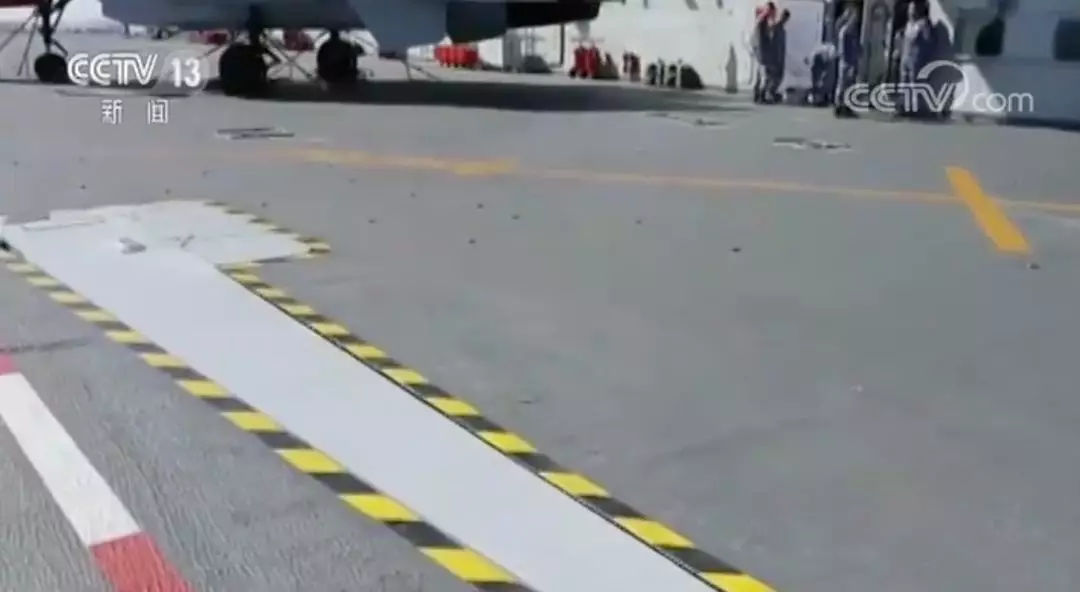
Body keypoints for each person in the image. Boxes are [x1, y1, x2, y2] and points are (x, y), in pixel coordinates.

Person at [899, 1, 933, 116]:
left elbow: (928, 41)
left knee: (915, 84)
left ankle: (915, 108)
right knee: (904, 83)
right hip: (906, 57)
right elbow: (905, 40)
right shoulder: (909, 24)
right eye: (910, 9)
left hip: (916, 58)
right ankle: (904, 106)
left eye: (912, 9)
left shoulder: (923, 24)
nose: (910, 12)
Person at [834, 2, 861, 117]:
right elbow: (847, 49)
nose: (856, 19)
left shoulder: (847, 31)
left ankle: (842, 106)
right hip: (847, 61)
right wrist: (850, 64)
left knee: (845, 84)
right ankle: (841, 106)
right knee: (845, 84)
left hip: (847, 61)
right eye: (854, 16)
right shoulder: (847, 32)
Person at [764, 9, 791, 103]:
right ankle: (768, 94)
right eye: (784, 17)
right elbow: (770, 42)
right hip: (774, 57)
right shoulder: (775, 28)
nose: (785, 20)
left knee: (779, 77)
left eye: (786, 18)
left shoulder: (782, 30)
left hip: (780, 58)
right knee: (773, 77)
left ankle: (771, 93)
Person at [751, 3, 776, 103]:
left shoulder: (764, 22)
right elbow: (760, 38)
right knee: (765, 75)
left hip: (761, 52)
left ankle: (757, 95)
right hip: (761, 52)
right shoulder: (762, 21)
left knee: (759, 75)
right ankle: (761, 95)